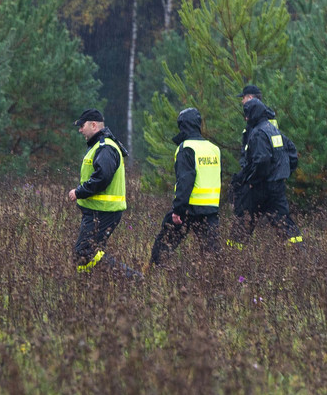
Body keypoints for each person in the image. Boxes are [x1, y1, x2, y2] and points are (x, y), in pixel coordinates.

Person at [67, 108, 139, 277]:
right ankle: (92, 286)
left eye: (82, 125)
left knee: (84, 252)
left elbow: (102, 177)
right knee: (89, 253)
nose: (79, 130)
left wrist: (80, 191)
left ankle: (133, 279)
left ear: (93, 125)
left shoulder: (105, 147)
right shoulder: (99, 146)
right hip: (97, 211)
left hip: (103, 212)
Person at [227, 97, 303, 248]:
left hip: (261, 187)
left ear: (253, 114)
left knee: (244, 220)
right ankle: (299, 253)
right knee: (283, 222)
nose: (246, 118)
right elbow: (292, 152)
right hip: (276, 186)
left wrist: (251, 181)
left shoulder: (258, 133)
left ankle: (232, 256)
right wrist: (284, 173)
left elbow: (262, 161)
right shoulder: (272, 129)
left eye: (247, 114)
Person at [150, 107, 221, 266]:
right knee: (213, 254)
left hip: (189, 208)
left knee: (163, 246)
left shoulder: (186, 148)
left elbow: (185, 181)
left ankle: (154, 273)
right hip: (210, 209)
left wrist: (178, 210)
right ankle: (216, 279)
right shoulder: (213, 149)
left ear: (182, 126)